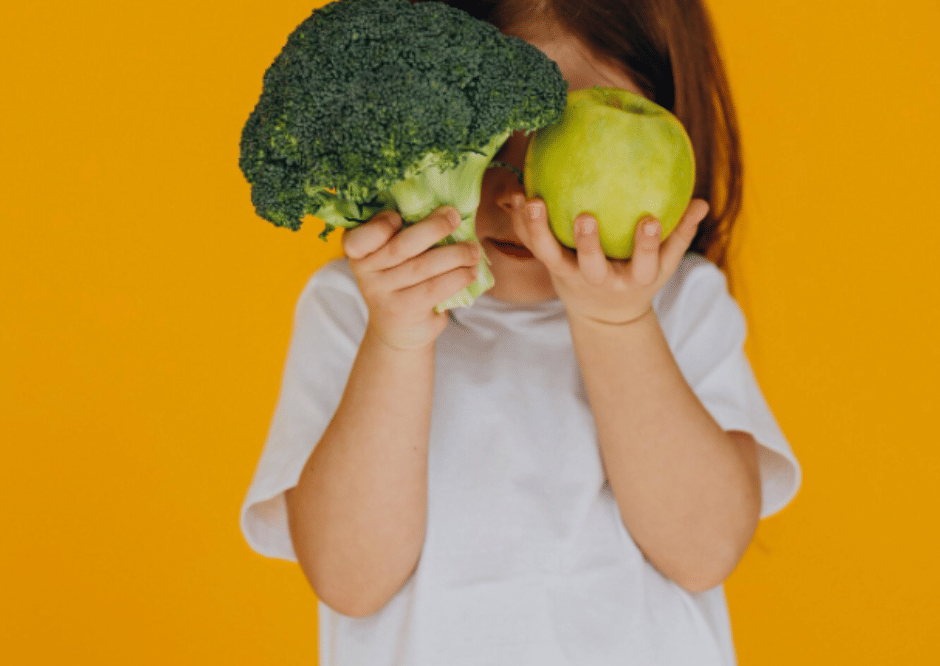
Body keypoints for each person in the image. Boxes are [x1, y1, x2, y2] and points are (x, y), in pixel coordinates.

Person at [241, 0, 802, 663]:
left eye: (562, 136)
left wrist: (616, 322)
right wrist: (396, 342)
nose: (514, 191)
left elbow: (705, 550)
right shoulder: (354, 310)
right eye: (481, 135)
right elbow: (349, 580)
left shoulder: (683, 304)